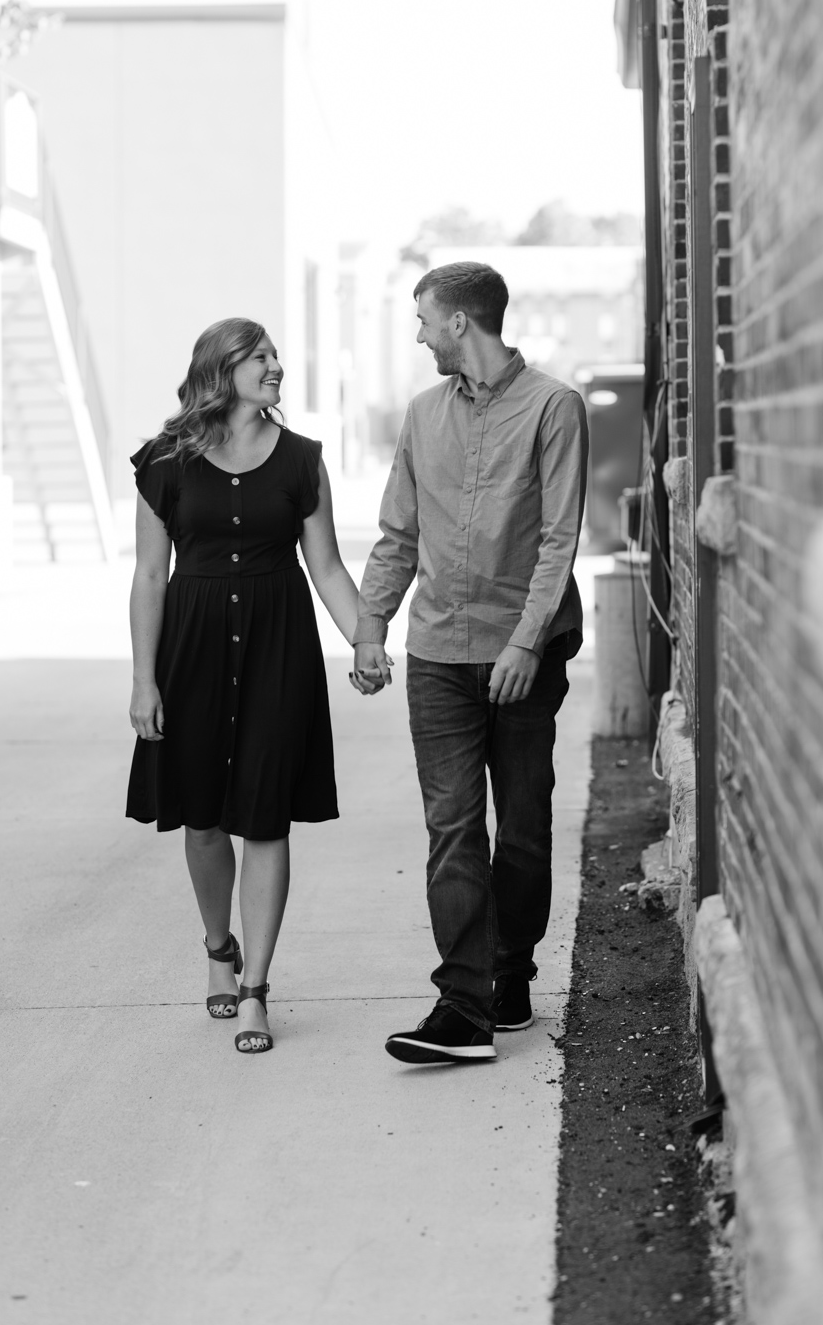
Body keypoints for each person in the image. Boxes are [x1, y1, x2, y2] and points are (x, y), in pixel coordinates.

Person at [353, 261, 588, 1064]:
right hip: (438, 654)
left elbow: (560, 539)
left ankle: (510, 971)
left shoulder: (555, 408)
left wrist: (525, 641)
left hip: (525, 651)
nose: (417, 335)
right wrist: (369, 627)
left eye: (424, 321)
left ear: (460, 322)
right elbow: (398, 535)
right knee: (451, 829)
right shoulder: (423, 415)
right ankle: (463, 1003)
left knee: (521, 829)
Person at [127, 317, 365, 1055]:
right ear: (221, 369)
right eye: (259, 357)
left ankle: (257, 987)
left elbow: (325, 566)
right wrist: (144, 680)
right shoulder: (165, 462)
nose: (276, 366)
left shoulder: (302, 461)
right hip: (191, 652)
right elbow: (148, 577)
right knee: (202, 819)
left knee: (265, 817)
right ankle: (218, 946)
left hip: (278, 650)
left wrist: (368, 636)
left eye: (273, 356)